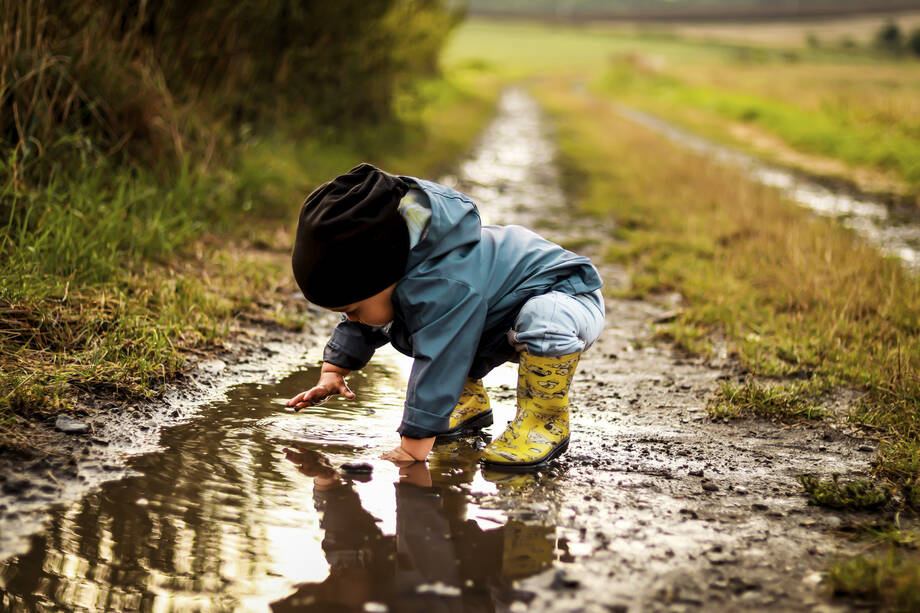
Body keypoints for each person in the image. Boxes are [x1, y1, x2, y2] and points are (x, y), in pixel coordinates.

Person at [286, 163, 604, 468]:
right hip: (494, 313)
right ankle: (465, 405)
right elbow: (365, 323)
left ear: (386, 275)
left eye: (352, 309)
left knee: (535, 318)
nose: (351, 318)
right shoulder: (396, 270)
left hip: (565, 295)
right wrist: (334, 370)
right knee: (403, 321)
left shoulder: (445, 282)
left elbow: (441, 356)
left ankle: (542, 421)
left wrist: (413, 446)